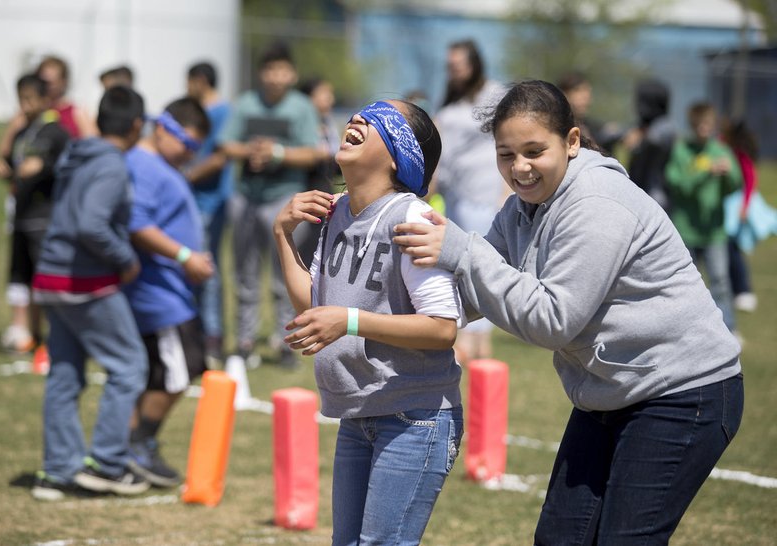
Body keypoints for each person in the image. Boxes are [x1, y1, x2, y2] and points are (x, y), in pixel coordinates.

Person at [393, 80, 743, 545]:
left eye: (534, 151)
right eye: (506, 155)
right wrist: (367, 316)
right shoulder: (523, 209)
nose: (520, 168)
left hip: (683, 393)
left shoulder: (597, 202)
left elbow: (552, 319)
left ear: (572, 142)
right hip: (609, 395)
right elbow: (470, 294)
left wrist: (460, 249)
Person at [274, 99, 464, 546]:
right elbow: (316, 305)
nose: (357, 117)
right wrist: (282, 235)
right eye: (360, 110)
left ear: (401, 153)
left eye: (379, 116)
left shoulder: (411, 218)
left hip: (414, 414)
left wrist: (352, 321)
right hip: (359, 413)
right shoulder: (336, 212)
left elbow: (442, 327)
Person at [30, 85, 150, 501]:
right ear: (137, 125)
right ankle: (107, 463)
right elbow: (90, 224)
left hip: (50, 277)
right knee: (130, 365)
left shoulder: (75, 154)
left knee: (64, 374)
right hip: (85, 282)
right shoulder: (113, 166)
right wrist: (126, 260)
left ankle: (57, 472)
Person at [124, 97, 214, 487]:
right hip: (158, 293)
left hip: (170, 288)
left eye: (196, 149)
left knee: (156, 374)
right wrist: (183, 256)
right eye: (187, 145)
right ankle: (136, 445)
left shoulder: (158, 165)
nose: (190, 155)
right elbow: (136, 222)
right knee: (180, 371)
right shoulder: (143, 165)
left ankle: (124, 449)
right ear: (163, 127)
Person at [220, 41, 319, 370]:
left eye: (282, 70)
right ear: (262, 73)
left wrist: (277, 154)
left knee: (283, 275)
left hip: (283, 198)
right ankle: (245, 342)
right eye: (270, 69)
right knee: (244, 273)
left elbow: (314, 152)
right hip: (245, 197)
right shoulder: (246, 103)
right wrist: (251, 151)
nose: (276, 76)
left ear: (291, 74)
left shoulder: (301, 107)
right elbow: (225, 144)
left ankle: (283, 342)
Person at [434, 39, 507, 364]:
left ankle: (480, 341)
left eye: (459, 64)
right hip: (456, 197)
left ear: (474, 63)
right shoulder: (450, 107)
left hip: (487, 196)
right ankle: (466, 337)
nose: (454, 71)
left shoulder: (496, 96)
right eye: (450, 66)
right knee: (456, 267)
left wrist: (508, 192)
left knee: (480, 265)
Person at [0, 73, 70, 354]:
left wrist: (30, 168)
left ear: (44, 99)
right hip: (22, 216)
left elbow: (41, 167)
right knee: (21, 277)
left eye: (29, 99)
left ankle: (55, 339)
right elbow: (11, 163)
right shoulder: (24, 130)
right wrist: (10, 138)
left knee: (46, 279)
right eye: (21, 99)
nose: (24, 105)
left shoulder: (55, 132)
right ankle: (30, 335)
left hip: (44, 217)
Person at [665, 102, 741, 333]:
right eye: (700, 125)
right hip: (687, 229)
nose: (704, 129)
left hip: (714, 230)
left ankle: (728, 328)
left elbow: (736, 185)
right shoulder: (681, 150)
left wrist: (728, 175)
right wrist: (705, 173)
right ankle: (688, 328)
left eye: (708, 124)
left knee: (720, 280)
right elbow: (677, 185)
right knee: (687, 283)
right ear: (693, 125)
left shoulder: (721, 150)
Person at [184, 61, 234, 360]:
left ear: (200, 80)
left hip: (211, 204)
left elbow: (219, 158)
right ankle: (196, 335)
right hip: (193, 204)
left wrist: (185, 176)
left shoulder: (221, 112)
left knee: (207, 271)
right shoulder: (200, 112)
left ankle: (212, 339)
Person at [298, 76, 342, 265]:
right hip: (306, 189)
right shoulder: (302, 125)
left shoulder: (329, 123)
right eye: (324, 94)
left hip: (324, 190)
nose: (330, 99)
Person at [721, 118, 759, 313]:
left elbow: (750, 179)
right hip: (724, 204)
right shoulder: (720, 145)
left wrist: (745, 205)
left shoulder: (740, 153)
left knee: (732, 246)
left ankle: (742, 290)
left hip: (735, 205)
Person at [625, 78, 676, 211]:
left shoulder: (664, 125)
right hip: (639, 188)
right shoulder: (643, 126)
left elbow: (654, 140)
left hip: (656, 193)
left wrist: (640, 137)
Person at [556, 71, 622, 154]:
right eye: (578, 91)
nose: (585, 97)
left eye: (587, 91)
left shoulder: (593, 127)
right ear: (563, 94)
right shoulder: (555, 127)